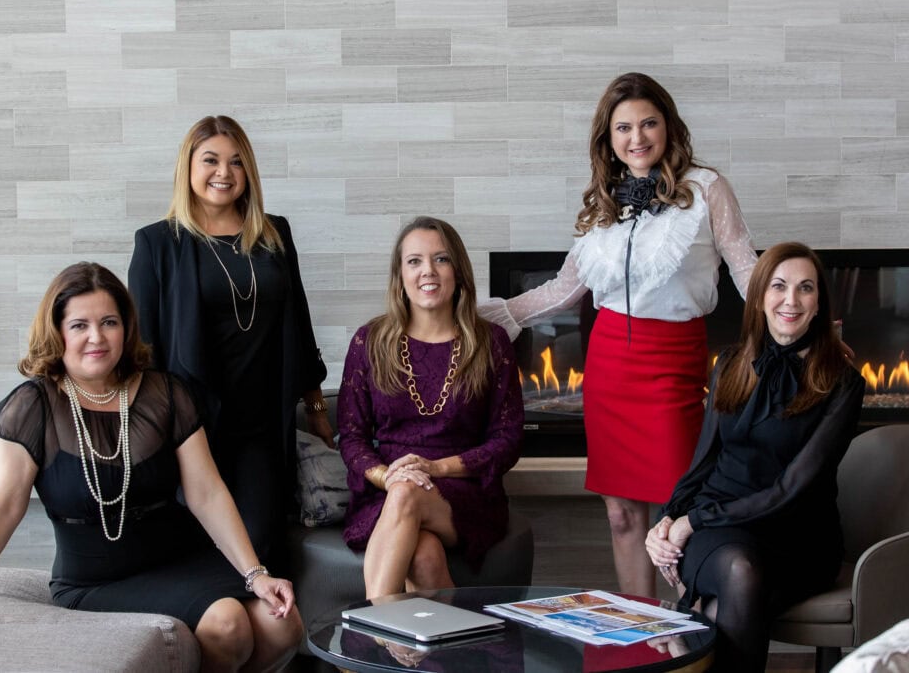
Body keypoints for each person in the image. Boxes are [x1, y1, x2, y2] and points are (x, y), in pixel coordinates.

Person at [0, 262, 304, 672]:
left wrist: (255, 574)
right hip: (95, 580)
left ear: (126, 328)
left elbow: (207, 492)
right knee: (228, 623)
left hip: (181, 557)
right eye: (79, 325)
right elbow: (5, 504)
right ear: (57, 332)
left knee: (283, 627)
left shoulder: (167, 393)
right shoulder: (32, 406)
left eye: (109, 322)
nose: (96, 338)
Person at [479, 72, 758, 597]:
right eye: (623, 127)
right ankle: (638, 632)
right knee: (621, 516)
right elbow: (563, 291)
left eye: (648, 123)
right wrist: (479, 318)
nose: (638, 137)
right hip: (609, 366)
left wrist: (790, 315)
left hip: (673, 364)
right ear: (608, 140)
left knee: (679, 511)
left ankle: (686, 640)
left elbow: (746, 268)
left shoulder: (707, 189)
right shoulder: (602, 206)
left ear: (668, 127)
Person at [645, 242, 865, 672]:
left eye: (806, 288)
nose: (791, 300)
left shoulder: (843, 383)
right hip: (721, 532)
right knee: (738, 571)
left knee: (725, 598)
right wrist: (667, 520)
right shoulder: (730, 363)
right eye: (779, 286)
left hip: (798, 536)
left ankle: (693, 626)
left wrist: (694, 522)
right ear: (760, 295)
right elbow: (703, 462)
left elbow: (793, 488)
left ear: (819, 302)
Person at [128, 116, 330, 569]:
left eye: (236, 162)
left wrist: (316, 409)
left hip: (260, 425)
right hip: (191, 428)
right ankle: (218, 633)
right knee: (201, 547)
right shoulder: (157, 244)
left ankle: (264, 635)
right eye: (211, 160)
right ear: (189, 168)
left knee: (260, 544)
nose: (224, 172)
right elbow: (143, 350)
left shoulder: (274, 234)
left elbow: (299, 321)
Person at [338, 216, 524, 599]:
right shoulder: (369, 341)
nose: (428, 271)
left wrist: (435, 469)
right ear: (399, 275)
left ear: (458, 271)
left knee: (407, 492)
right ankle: (456, 650)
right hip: (386, 490)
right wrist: (387, 476)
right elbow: (352, 436)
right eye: (414, 261)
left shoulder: (492, 342)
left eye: (441, 259)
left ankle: (370, 639)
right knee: (423, 555)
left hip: (465, 492)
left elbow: (508, 439)